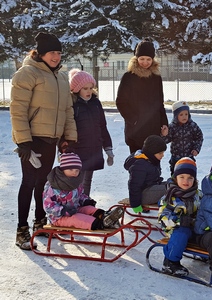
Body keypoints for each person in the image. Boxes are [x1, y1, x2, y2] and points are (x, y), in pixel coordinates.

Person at [10, 32, 77, 250]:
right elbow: (18, 110)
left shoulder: (60, 77)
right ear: (40, 53)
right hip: (33, 139)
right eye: (51, 53)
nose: (56, 57)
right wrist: (24, 142)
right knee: (28, 182)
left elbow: (68, 110)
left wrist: (69, 138)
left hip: (52, 139)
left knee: (43, 182)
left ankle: (40, 222)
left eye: (58, 53)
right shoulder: (27, 74)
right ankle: (22, 230)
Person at [43, 152, 124, 230]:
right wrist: (63, 211)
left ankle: (105, 216)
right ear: (63, 169)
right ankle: (101, 224)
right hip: (58, 217)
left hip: (74, 209)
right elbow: (48, 206)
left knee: (89, 209)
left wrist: (86, 201)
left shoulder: (76, 182)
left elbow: (80, 195)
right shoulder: (53, 185)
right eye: (71, 169)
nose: (74, 172)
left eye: (77, 170)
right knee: (78, 218)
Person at [116, 38, 168, 153]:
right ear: (136, 58)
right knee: (138, 166)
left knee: (153, 166)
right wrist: (134, 120)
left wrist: (164, 123)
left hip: (154, 129)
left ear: (153, 59)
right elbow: (121, 102)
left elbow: (160, 103)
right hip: (136, 131)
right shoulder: (129, 77)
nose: (145, 62)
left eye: (148, 59)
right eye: (142, 59)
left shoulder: (156, 78)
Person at [67, 68, 114, 196]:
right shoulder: (73, 105)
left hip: (93, 148)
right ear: (77, 89)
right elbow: (67, 128)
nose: (88, 91)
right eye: (85, 88)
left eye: (90, 88)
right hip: (78, 150)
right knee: (77, 180)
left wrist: (108, 149)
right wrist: (64, 149)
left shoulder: (96, 103)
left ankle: (84, 202)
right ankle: (74, 204)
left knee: (87, 180)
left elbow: (102, 126)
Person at [158, 157, 202, 276]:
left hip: (194, 226)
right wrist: (179, 221)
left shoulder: (198, 194)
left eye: (190, 178)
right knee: (182, 233)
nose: (185, 181)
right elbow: (163, 218)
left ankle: (208, 254)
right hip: (175, 229)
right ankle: (170, 262)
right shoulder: (169, 197)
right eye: (181, 177)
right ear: (175, 177)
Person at [121, 135, 167, 213]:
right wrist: (136, 205)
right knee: (170, 188)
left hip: (151, 188)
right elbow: (134, 185)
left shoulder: (152, 159)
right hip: (143, 195)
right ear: (152, 152)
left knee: (174, 184)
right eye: (160, 153)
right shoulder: (140, 165)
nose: (163, 155)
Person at [162, 101, 203, 175]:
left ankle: (191, 186)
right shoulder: (172, 127)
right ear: (175, 116)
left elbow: (199, 137)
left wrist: (196, 149)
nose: (184, 117)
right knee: (176, 176)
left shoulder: (192, 126)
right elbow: (166, 140)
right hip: (176, 158)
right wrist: (164, 135)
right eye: (181, 114)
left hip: (189, 157)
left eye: (186, 114)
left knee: (190, 175)